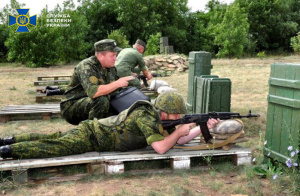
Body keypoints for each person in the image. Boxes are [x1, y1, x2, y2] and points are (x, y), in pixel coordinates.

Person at [0, 91, 219, 159]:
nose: (178, 117)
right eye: (175, 114)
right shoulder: (145, 115)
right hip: (92, 135)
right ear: (164, 111)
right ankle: (9, 150)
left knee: (56, 137)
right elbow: (162, 147)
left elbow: (178, 139)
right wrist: (180, 130)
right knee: (56, 146)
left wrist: (201, 127)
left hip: (94, 132)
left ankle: (9, 139)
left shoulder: (158, 118)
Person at [60, 39, 135, 125]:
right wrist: (117, 83)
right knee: (101, 99)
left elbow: (115, 91)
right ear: (100, 56)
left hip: (95, 104)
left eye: (116, 55)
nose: (116, 59)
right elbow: (94, 92)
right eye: (112, 55)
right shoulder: (86, 66)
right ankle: (92, 133)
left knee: (123, 98)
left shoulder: (111, 68)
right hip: (72, 107)